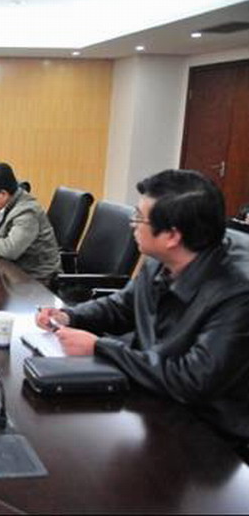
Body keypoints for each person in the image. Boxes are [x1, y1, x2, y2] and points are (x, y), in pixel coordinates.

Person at [36, 169, 249, 442]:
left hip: (210, 433)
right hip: (152, 397)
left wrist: (100, 347)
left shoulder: (237, 292)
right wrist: (70, 316)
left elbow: (193, 380)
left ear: (172, 236)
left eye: (138, 217)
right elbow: (122, 306)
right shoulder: (163, 259)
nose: (132, 225)